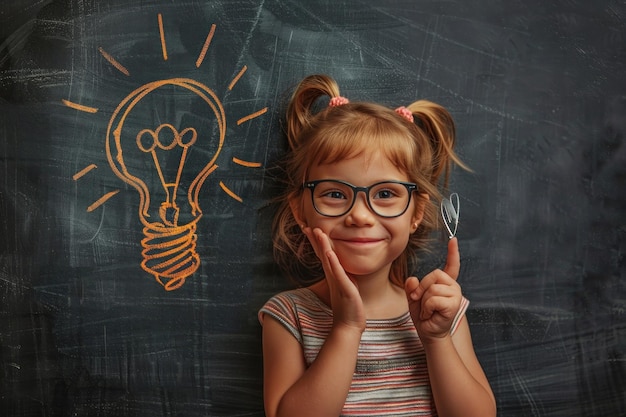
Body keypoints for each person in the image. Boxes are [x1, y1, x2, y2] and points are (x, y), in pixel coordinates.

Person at [258, 74, 496, 417]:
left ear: (416, 213)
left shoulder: (441, 311)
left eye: (385, 194)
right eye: (335, 194)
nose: (359, 216)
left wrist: (437, 339)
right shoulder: (289, 315)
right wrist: (346, 328)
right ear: (300, 210)